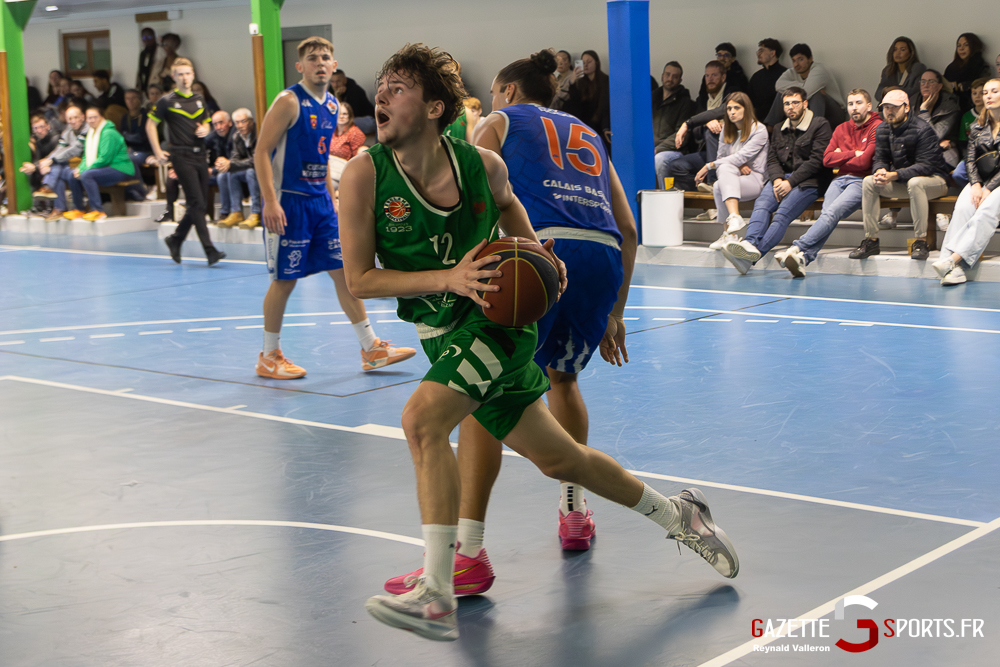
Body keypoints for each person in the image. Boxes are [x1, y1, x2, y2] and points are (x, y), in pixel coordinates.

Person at [339, 43, 739, 642]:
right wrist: (447, 279)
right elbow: (360, 279)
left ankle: (438, 587)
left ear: (435, 106)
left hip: (497, 323)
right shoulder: (365, 173)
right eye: (383, 85)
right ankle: (680, 515)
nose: (383, 95)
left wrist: (544, 264)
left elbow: (516, 221)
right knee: (562, 459)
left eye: (399, 86)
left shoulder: (484, 165)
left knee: (422, 421)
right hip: (441, 331)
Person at [382, 47, 639, 597]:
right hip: (597, 258)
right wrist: (616, 307)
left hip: (531, 252)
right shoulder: (590, 134)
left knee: (477, 391)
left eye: (496, 93)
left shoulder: (500, 120)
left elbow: (471, 186)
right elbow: (629, 226)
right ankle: (574, 513)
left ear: (510, 93)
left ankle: (468, 552)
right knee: (564, 382)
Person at [253, 36, 415, 378]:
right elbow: (261, 151)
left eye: (325, 57)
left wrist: (332, 201)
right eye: (312, 58)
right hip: (289, 202)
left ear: (334, 64)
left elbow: (323, 158)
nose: (320, 63)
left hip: (321, 204)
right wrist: (269, 201)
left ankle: (371, 348)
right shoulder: (288, 101)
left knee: (345, 272)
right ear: (300, 66)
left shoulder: (330, 105)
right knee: (285, 279)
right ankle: (269, 355)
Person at [722, 86, 832, 274]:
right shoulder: (780, 128)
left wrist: (790, 182)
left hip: (809, 182)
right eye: (787, 104)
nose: (791, 107)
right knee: (762, 204)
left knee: (782, 214)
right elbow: (772, 159)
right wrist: (777, 179)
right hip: (781, 180)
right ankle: (749, 244)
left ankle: (752, 255)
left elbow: (816, 161)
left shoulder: (820, 124)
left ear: (805, 104)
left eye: (795, 103)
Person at [775, 89, 882, 276]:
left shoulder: (878, 126)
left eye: (858, 103)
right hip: (839, 179)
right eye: (850, 104)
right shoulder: (841, 128)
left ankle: (796, 248)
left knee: (831, 212)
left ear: (869, 106)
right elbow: (827, 160)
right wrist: (852, 154)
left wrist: (841, 155)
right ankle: (804, 258)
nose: (854, 108)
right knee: (827, 214)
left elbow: (865, 162)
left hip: (861, 181)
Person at [849, 89, 949, 261]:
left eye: (894, 107)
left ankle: (920, 241)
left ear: (907, 108)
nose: (889, 111)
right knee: (868, 182)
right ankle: (871, 241)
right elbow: (880, 158)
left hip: (935, 181)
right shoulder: (882, 129)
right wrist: (880, 170)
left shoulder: (923, 129)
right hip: (903, 181)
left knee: (916, 183)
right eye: (886, 107)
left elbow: (926, 167)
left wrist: (894, 175)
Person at [146, 57, 226, 266]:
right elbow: (150, 125)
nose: (184, 77)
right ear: (174, 77)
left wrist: (206, 129)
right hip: (181, 156)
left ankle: (176, 239)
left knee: (196, 204)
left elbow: (208, 123)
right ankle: (210, 250)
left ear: (193, 76)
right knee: (197, 202)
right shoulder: (167, 100)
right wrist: (157, 151)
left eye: (187, 73)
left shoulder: (199, 99)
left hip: (201, 155)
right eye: (180, 74)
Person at [933, 79, 1000, 285]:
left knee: (987, 211)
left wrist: (987, 189)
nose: (987, 96)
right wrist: (976, 185)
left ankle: (952, 260)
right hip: (981, 180)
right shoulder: (977, 127)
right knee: (963, 207)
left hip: (997, 184)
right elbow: (969, 159)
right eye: (985, 92)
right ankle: (951, 270)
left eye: (994, 91)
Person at [695, 92, 769, 249]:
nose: (732, 112)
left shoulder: (759, 129)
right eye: (729, 109)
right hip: (733, 177)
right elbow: (723, 158)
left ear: (746, 109)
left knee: (725, 170)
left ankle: (734, 219)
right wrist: (737, 164)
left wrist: (709, 166)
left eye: (736, 108)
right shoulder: (726, 131)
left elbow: (741, 156)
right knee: (717, 185)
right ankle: (730, 234)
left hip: (756, 179)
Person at [666, 61, 734, 196]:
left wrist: (690, 123)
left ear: (723, 77)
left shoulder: (732, 95)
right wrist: (704, 123)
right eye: (707, 76)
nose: (710, 79)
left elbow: (721, 111)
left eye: (714, 75)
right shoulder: (702, 100)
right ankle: (707, 199)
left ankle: (713, 184)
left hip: (729, 151)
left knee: (712, 132)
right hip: (708, 152)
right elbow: (696, 133)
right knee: (676, 166)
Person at [65, 106, 138, 221]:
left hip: (119, 168)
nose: (92, 120)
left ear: (101, 117)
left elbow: (104, 159)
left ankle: (98, 210)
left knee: (87, 175)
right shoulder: (91, 133)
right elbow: (86, 157)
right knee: (71, 175)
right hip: (104, 168)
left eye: (95, 117)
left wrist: (84, 170)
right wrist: (80, 168)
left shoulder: (108, 133)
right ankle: (79, 209)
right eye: (89, 118)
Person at [768, 44, 844, 124]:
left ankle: (814, 129)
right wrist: (802, 85)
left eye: (800, 60)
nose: (796, 64)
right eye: (794, 61)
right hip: (808, 108)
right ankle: (770, 126)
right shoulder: (792, 72)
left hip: (835, 113)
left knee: (816, 94)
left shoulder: (819, 70)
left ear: (810, 59)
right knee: (782, 93)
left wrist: (801, 88)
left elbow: (806, 93)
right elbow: (778, 85)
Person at [557, 50, 611, 152]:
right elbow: (574, 103)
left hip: (598, 123)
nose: (585, 65)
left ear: (596, 63)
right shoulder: (580, 82)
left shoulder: (605, 81)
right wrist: (572, 82)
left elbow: (603, 107)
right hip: (582, 122)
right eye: (583, 62)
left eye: (589, 62)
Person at [652, 61, 696, 188]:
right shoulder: (651, 99)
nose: (670, 78)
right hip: (651, 148)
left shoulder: (685, 103)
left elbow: (681, 135)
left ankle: (665, 199)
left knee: (659, 159)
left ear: (680, 80)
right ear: (662, 76)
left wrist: (657, 149)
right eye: (667, 74)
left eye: (675, 76)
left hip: (674, 150)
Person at [41, 105, 87, 221]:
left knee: (57, 166)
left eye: (75, 117)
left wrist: (52, 160)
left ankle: (49, 188)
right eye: (70, 119)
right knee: (58, 171)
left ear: (82, 117)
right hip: (73, 166)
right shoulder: (68, 131)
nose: (73, 121)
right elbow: (59, 148)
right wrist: (47, 161)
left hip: (87, 165)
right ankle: (59, 207)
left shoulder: (87, 129)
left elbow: (75, 149)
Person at [916, 70, 961, 168]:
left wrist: (924, 111)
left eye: (931, 81)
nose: (926, 85)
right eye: (923, 81)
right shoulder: (912, 103)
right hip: (917, 153)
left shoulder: (950, 107)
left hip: (943, 155)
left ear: (939, 86)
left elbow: (934, 135)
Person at [227, 108, 261, 230]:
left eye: (243, 121)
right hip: (248, 168)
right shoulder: (237, 136)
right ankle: (236, 212)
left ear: (251, 121)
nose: (240, 126)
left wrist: (232, 164)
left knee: (251, 172)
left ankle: (256, 213)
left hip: (263, 170)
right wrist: (228, 164)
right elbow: (235, 157)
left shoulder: (259, 132)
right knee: (232, 174)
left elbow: (255, 160)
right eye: (237, 123)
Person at [954, 77, 990, 189]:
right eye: (974, 93)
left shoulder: (993, 113)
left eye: (981, 93)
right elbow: (963, 141)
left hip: (988, 154)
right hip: (970, 155)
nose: (977, 96)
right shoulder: (966, 116)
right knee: (957, 174)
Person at [944, 33, 992, 113]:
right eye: (959, 45)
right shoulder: (951, 68)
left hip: (974, 108)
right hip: (951, 108)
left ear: (973, 47)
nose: (961, 48)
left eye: (966, 45)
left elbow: (981, 85)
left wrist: (963, 85)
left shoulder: (981, 66)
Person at [874, 37, 925, 108]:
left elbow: (917, 91)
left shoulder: (918, 68)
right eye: (895, 50)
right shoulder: (887, 70)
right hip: (889, 109)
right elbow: (877, 95)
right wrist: (885, 90)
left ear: (911, 53)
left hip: (910, 108)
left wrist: (896, 90)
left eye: (903, 50)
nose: (898, 53)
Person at [18, 114, 61, 195]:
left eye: (41, 127)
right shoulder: (35, 141)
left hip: (55, 166)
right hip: (41, 169)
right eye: (35, 128)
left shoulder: (55, 139)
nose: (39, 130)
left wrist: (35, 166)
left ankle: (46, 191)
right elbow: (37, 159)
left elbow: (52, 158)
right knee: (30, 172)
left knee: (53, 170)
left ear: (48, 126)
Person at [206, 110, 236, 224]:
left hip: (236, 169)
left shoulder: (236, 135)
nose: (218, 127)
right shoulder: (212, 137)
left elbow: (237, 159)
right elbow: (200, 148)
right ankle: (202, 213)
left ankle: (227, 212)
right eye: (215, 124)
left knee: (223, 176)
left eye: (221, 123)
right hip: (219, 170)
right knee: (200, 175)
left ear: (229, 122)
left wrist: (214, 169)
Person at [748, 38, 786, 122]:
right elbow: (750, 104)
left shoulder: (785, 75)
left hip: (779, 124)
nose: (758, 54)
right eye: (758, 51)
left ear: (772, 53)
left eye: (761, 51)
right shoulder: (756, 77)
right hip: (757, 124)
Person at [119, 88, 154, 178]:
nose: (130, 101)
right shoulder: (125, 117)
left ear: (140, 100)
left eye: (133, 98)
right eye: (127, 98)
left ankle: (137, 185)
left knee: (130, 159)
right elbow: (121, 138)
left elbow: (140, 138)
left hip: (144, 151)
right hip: (129, 150)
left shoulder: (146, 116)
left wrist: (125, 135)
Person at [329, 69, 377, 134]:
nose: (335, 85)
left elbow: (350, 115)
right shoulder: (331, 91)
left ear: (345, 80)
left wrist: (338, 98)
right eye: (332, 82)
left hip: (367, 120)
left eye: (338, 81)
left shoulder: (355, 91)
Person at [137, 27, 167, 92]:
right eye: (144, 38)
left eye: (149, 37)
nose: (147, 40)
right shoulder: (143, 52)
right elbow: (140, 69)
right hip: (144, 84)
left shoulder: (160, 51)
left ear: (154, 37)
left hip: (157, 83)